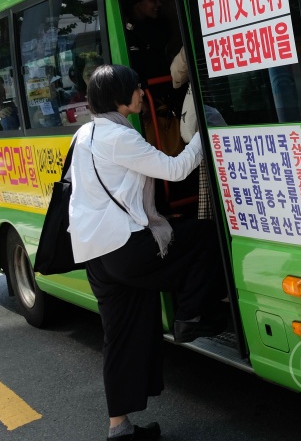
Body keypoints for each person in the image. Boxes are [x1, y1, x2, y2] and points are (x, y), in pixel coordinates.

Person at [69, 64, 226, 440]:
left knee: (120, 339)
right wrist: (205, 128)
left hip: (96, 255)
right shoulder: (120, 138)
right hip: (126, 248)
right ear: (120, 98)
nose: (142, 93)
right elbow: (175, 170)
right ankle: (190, 316)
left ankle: (119, 429)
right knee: (204, 236)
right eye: (136, 88)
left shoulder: (84, 133)